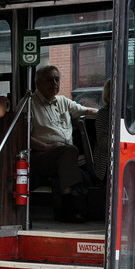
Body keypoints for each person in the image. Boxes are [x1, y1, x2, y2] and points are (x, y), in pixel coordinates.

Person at [30, 65, 96, 221]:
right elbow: (21, 136)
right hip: (40, 155)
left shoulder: (63, 101)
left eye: (57, 79)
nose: (54, 83)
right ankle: (68, 204)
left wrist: (110, 113)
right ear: (38, 83)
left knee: (73, 154)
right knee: (70, 151)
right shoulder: (29, 104)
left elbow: (86, 111)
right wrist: (48, 147)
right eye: (49, 80)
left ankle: (70, 207)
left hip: (64, 154)